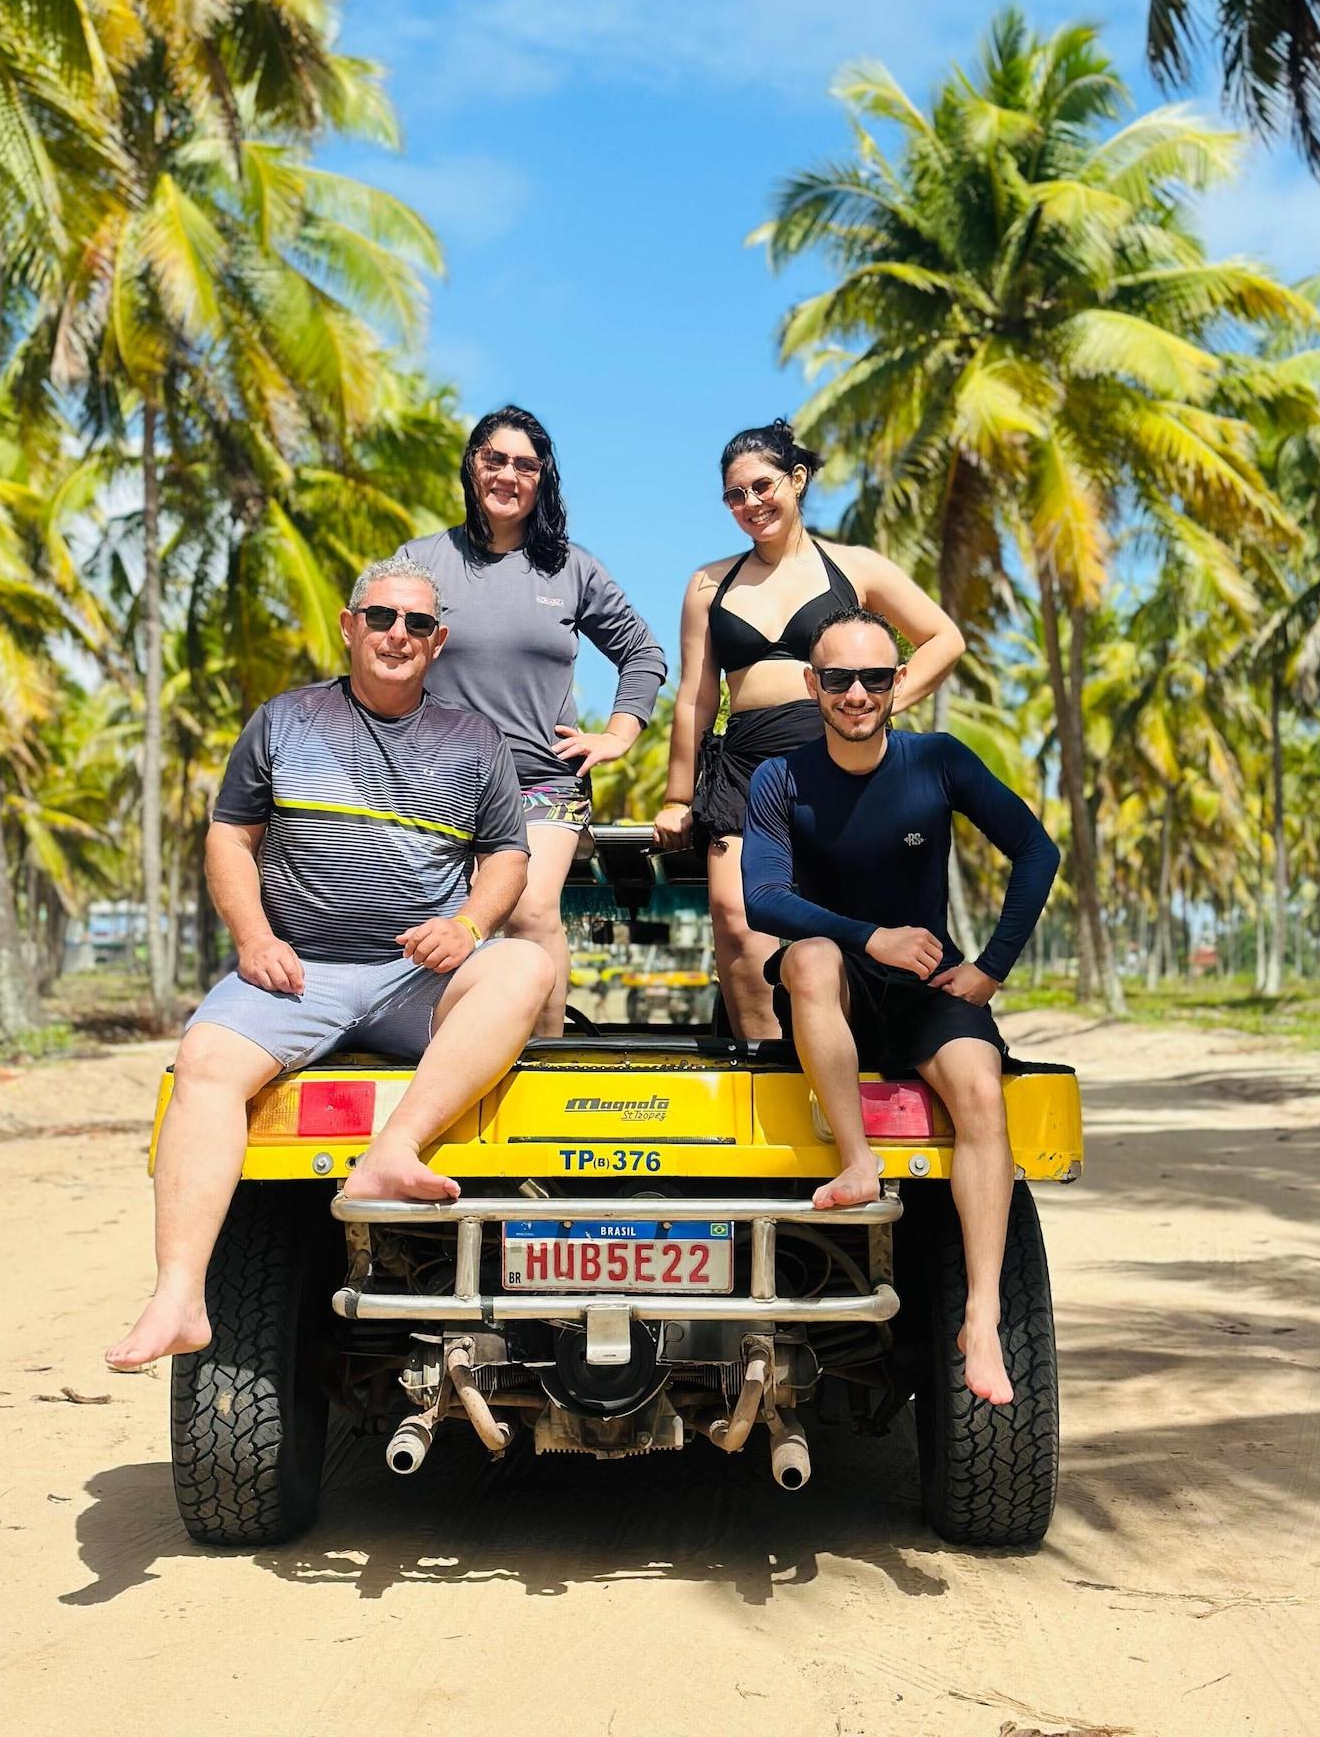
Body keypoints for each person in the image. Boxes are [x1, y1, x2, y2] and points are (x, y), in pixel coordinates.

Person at [106, 554, 554, 1373]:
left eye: (417, 624)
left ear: (438, 640)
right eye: (380, 618)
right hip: (298, 974)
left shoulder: (474, 739)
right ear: (349, 626)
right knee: (204, 1063)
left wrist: (466, 922)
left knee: (522, 966)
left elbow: (507, 858)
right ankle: (178, 1296)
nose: (396, 635)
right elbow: (230, 836)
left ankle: (396, 1151)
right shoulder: (285, 719)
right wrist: (253, 939)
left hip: (418, 982)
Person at [740, 605, 1058, 1405]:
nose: (856, 693)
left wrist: (991, 967)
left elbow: (1035, 850)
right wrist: (868, 936)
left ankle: (980, 1316)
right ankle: (857, 1162)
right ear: (814, 685)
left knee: (982, 1092)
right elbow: (763, 900)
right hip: (836, 985)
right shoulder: (781, 778)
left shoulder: (936, 761)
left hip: (927, 985)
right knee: (808, 959)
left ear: (898, 683)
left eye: (873, 678)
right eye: (839, 678)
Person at [654, 418, 964, 1038]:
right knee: (736, 917)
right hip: (743, 761)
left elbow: (944, 639)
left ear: (796, 481)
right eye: (734, 496)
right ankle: (763, 1078)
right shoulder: (707, 583)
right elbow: (693, 696)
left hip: (835, 756)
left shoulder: (855, 567)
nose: (750, 504)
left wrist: (874, 709)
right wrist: (677, 795)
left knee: (840, 914)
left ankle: (842, 1067)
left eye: (762, 486)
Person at [409, 408, 666, 1035]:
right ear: (472, 466)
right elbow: (382, 645)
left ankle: (545, 1068)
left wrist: (618, 736)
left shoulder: (571, 568)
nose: (507, 475)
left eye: (525, 465)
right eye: (494, 459)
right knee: (445, 918)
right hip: (438, 781)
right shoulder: (422, 561)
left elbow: (643, 653)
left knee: (526, 910)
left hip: (542, 781)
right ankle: (451, 1060)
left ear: (543, 479)